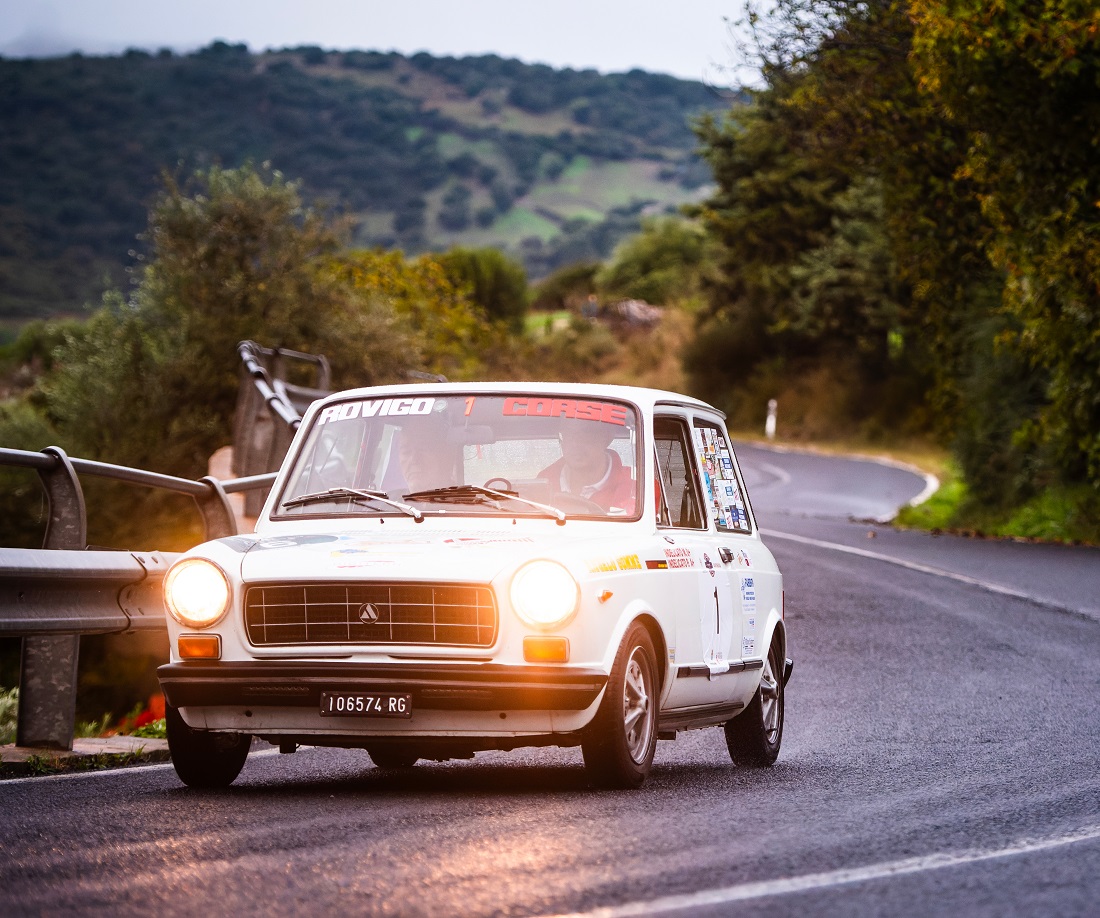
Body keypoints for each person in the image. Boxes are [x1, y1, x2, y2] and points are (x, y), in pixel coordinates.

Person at [539, 422, 635, 512]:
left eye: (585, 435)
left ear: (606, 439)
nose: (575, 444)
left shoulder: (636, 487)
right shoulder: (543, 482)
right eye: (568, 435)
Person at [397, 416, 460, 492]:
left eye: (422, 449)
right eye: (406, 452)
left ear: (444, 456)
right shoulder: (387, 501)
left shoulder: (464, 502)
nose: (414, 460)